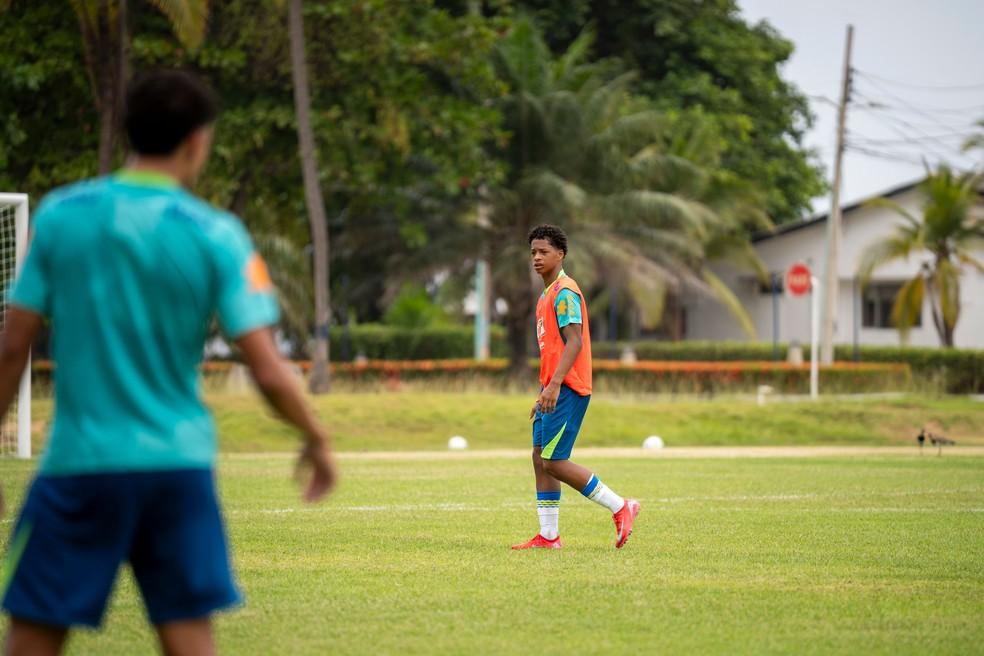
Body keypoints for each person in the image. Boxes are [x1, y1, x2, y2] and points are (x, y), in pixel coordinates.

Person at [0, 69, 337, 656]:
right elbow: (266, 368)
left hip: (80, 465)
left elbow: (11, 348)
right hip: (176, 467)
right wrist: (315, 437)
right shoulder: (216, 233)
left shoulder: (60, 216)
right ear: (198, 140)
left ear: (128, 131)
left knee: (32, 639)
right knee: (189, 641)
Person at [512, 225, 640, 551]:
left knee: (554, 461)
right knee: (539, 456)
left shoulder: (565, 292)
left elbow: (575, 342)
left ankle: (620, 506)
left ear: (561, 254)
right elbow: (553, 350)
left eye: (544, 252)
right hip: (552, 388)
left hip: (568, 387)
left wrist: (555, 385)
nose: (537, 257)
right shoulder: (546, 295)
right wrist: (544, 390)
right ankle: (548, 536)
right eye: (533, 252)